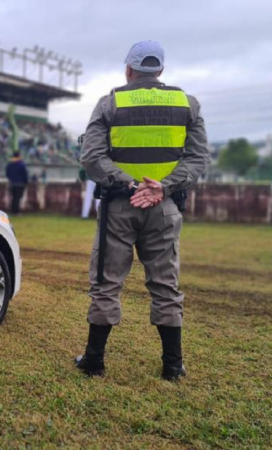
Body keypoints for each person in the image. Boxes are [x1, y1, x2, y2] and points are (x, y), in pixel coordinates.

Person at [75, 41, 209, 381]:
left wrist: (129, 184)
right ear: (160, 70)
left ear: (128, 69)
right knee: (166, 285)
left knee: (107, 282)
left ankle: (94, 361)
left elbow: (91, 157)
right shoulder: (187, 105)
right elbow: (198, 158)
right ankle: (173, 366)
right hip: (163, 207)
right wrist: (162, 187)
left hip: (120, 206)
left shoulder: (110, 103)